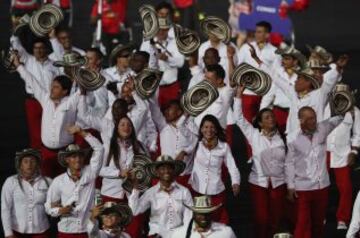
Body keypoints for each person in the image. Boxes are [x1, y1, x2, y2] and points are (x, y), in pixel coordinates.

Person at [251, 45, 347, 143]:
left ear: (308, 82)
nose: (295, 81)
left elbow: (329, 81)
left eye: (299, 79)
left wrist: (338, 67)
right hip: (293, 140)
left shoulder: (319, 95)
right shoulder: (292, 92)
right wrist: (256, 59)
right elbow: (275, 77)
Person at [13, 53, 82, 178]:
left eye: (55, 87)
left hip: (66, 154)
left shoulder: (71, 102)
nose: (51, 89)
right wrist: (18, 65)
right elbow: (31, 81)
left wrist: (78, 71)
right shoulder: (45, 99)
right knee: (47, 183)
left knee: (67, 184)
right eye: (51, 86)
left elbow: (81, 90)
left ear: (64, 91)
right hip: (46, 153)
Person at [234, 85, 287, 238]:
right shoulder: (254, 134)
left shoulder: (283, 137)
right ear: (260, 123)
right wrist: (238, 95)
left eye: (272, 116)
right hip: (259, 183)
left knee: (275, 219)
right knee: (261, 219)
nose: (271, 119)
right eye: (267, 118)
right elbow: (238, 118)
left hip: (279, 183)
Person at [285, 106, 344, 238]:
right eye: (310, 118)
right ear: (301, 120)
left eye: (314, 117)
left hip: (322, 186)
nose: (314, 121)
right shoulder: (292, 138)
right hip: (302, 188)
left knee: (318, 224)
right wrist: (290, 186)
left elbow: (337, 120)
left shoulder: (322, 128)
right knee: (302, 223)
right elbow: (289, 163)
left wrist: (343, 107)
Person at [45, 127, 104, 238]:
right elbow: (48, 207)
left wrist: (81, 132)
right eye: (73, 156)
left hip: (86, 232)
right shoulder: (58, 181)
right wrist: (60, 210)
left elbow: (99, 148)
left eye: (80, 156)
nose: (78, 159)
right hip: (65, 232)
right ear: (67, 160)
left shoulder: (90, 173)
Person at [10, 36, 61, 149]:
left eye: (41, 48)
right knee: (35, 133)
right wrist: (15, 32)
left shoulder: (54, 65)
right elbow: (16, 45)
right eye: (36, 48)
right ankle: (38, 160)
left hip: (50, 101)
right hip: (33, 102)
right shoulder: (28, 59)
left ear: (46, 49)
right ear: (32, 50)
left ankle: (49, 157)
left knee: (50, 130)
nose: (38, 50)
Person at [190, 115, 241, 224]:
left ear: (217, 129)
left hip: (216, 191)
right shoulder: (196, 144)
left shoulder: (224, 147)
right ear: (201, 129)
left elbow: (232, 167)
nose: (209, 130)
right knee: (200, 222)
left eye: (212, 127)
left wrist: (235, 183)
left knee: (217, 222)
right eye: (206, 127)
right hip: (197, 190)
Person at [129, 155, 193, 238]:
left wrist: (185, 234)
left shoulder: (184, 192)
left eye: (169, 168)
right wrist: (135, 188)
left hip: (179, 234)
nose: (166, 171)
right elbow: (134, 211)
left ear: (174, 171)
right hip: (157, 234)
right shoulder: (151, 192)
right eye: (162, 168)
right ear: (157, 172)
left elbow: (189, 217)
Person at [148, 95, 198, 187]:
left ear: (179, 111)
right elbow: (154, 108)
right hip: (166, 177)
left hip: (186, 177)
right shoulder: (163, 126)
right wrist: (150, 94)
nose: (166, 112)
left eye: (169, 109)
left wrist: (184, 151)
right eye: (165, 110)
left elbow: (194, 144)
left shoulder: (191, 126)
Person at [1, 149, 52, 238]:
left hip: (41, 231)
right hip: (17, 231)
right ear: (20, 165)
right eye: (25, 161)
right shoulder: (11, 182)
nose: (29, 164)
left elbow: (54, 205)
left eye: (33, 161)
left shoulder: (48, 182)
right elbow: (5, 208)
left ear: (37, 164)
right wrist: (8, 233)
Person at [140, 10, 185, 108]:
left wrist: (167, 59)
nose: (161, 32)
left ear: (168, 29)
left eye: (164, 29)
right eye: (159, 29)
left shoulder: (175, 42)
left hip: (171, 87)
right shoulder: (147, 42)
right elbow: (141, 59)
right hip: (153, 87)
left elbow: (181, 62)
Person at [237, 21, 280, 123]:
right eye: (256, 32)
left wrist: (272, 95)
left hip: (266, 94)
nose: (256, 34)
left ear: (267, 34)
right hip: (248, 92)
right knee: (247, 125)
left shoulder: (275, 52)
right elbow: (238, 68)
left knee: (264, 124)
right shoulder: (245, 47)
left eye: (260, 32)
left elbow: (276, 75)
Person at [327, 106, 360, 230]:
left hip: (343, 153)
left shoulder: (355, 111)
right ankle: (319, 216)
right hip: (323, 151)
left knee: (346, 188)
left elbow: (357, 134)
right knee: (318, 186)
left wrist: (354, 152)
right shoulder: (325, 105)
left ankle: (342, 219)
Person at [260, 45, 305, 134]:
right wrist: (261, 112)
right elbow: (269, 94)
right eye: (283, 58)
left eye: (287, 59)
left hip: (295, 114)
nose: (283, 61)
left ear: (295, 61)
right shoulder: (277, 73)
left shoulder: (303, 76)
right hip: (278, 113)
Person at [171, 196, 237, 238]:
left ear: (211, 213)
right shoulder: (179, 234)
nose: (203, 216)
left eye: (206, 213)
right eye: (200, 213)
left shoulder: (226, 232)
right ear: (193, 214)